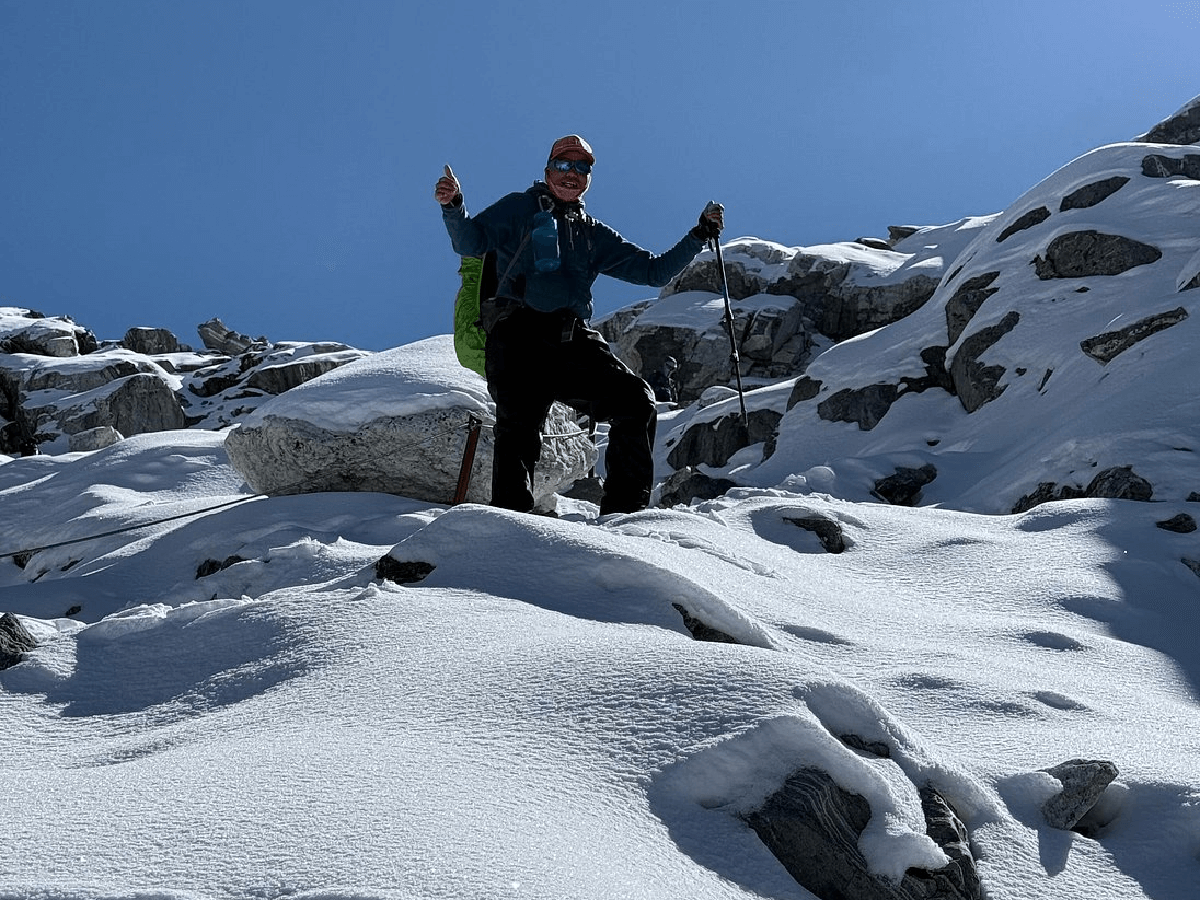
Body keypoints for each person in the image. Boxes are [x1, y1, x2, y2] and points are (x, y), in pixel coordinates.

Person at [435, 135, 722, 515]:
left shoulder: (592, 232)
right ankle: (507, 528)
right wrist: (454, 206)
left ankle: (625, 514)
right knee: (517, 433)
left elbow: (654, 271)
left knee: (635, 401)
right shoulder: (519, 208)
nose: (573, 174)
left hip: (570, 338)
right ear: (548, 171)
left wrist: (699, 234)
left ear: (588, 178)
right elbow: (471, 241)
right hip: (516, 333)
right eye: (565, 166)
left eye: (582, 168)